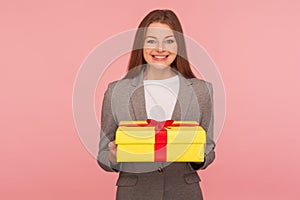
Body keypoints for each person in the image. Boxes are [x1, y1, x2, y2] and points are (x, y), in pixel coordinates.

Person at [97, 9, 215, 200]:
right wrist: (113, 156)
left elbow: (208, 148)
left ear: (178, 46)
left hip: (184, 192)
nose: (160, 48)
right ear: (140, 46)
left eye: (169, 40)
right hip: (134, 193)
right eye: (151, 40)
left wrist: (197, 155)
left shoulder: (202, 91)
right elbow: (103, 154)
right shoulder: (116, 91)